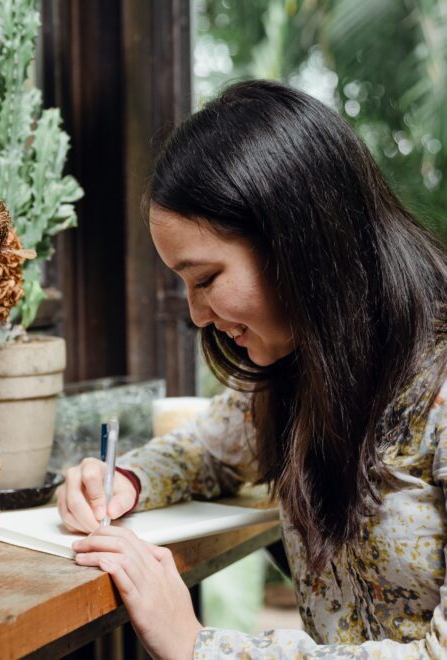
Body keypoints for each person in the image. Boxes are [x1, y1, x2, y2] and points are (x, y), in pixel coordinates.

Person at [57, 79, 447, 659]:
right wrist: (125, 482)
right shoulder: (305, 364)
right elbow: (209, 449)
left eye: (207, 279)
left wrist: (199, 646)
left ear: (297, 241)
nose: (195, 313)